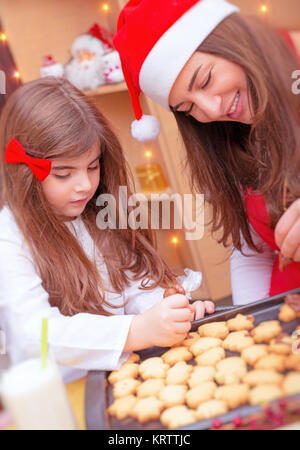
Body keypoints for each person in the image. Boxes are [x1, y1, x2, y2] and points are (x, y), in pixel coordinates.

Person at [0, 77, 214, 382]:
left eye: (92, 166)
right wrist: (135, 331)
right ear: (25, 174)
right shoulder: (9, 240)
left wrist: (169, 311)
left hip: (125, 374)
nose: (85, 185)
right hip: (64, 391)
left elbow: (128, 285)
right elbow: (36, 333)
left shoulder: (97, 209)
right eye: (63, 173)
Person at [113, 0, 300, 305]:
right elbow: (251, 254)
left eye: (206, 80)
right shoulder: (231, 137)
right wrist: (249, 323)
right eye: (188, 108)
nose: (212, 110)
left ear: (231, 40)